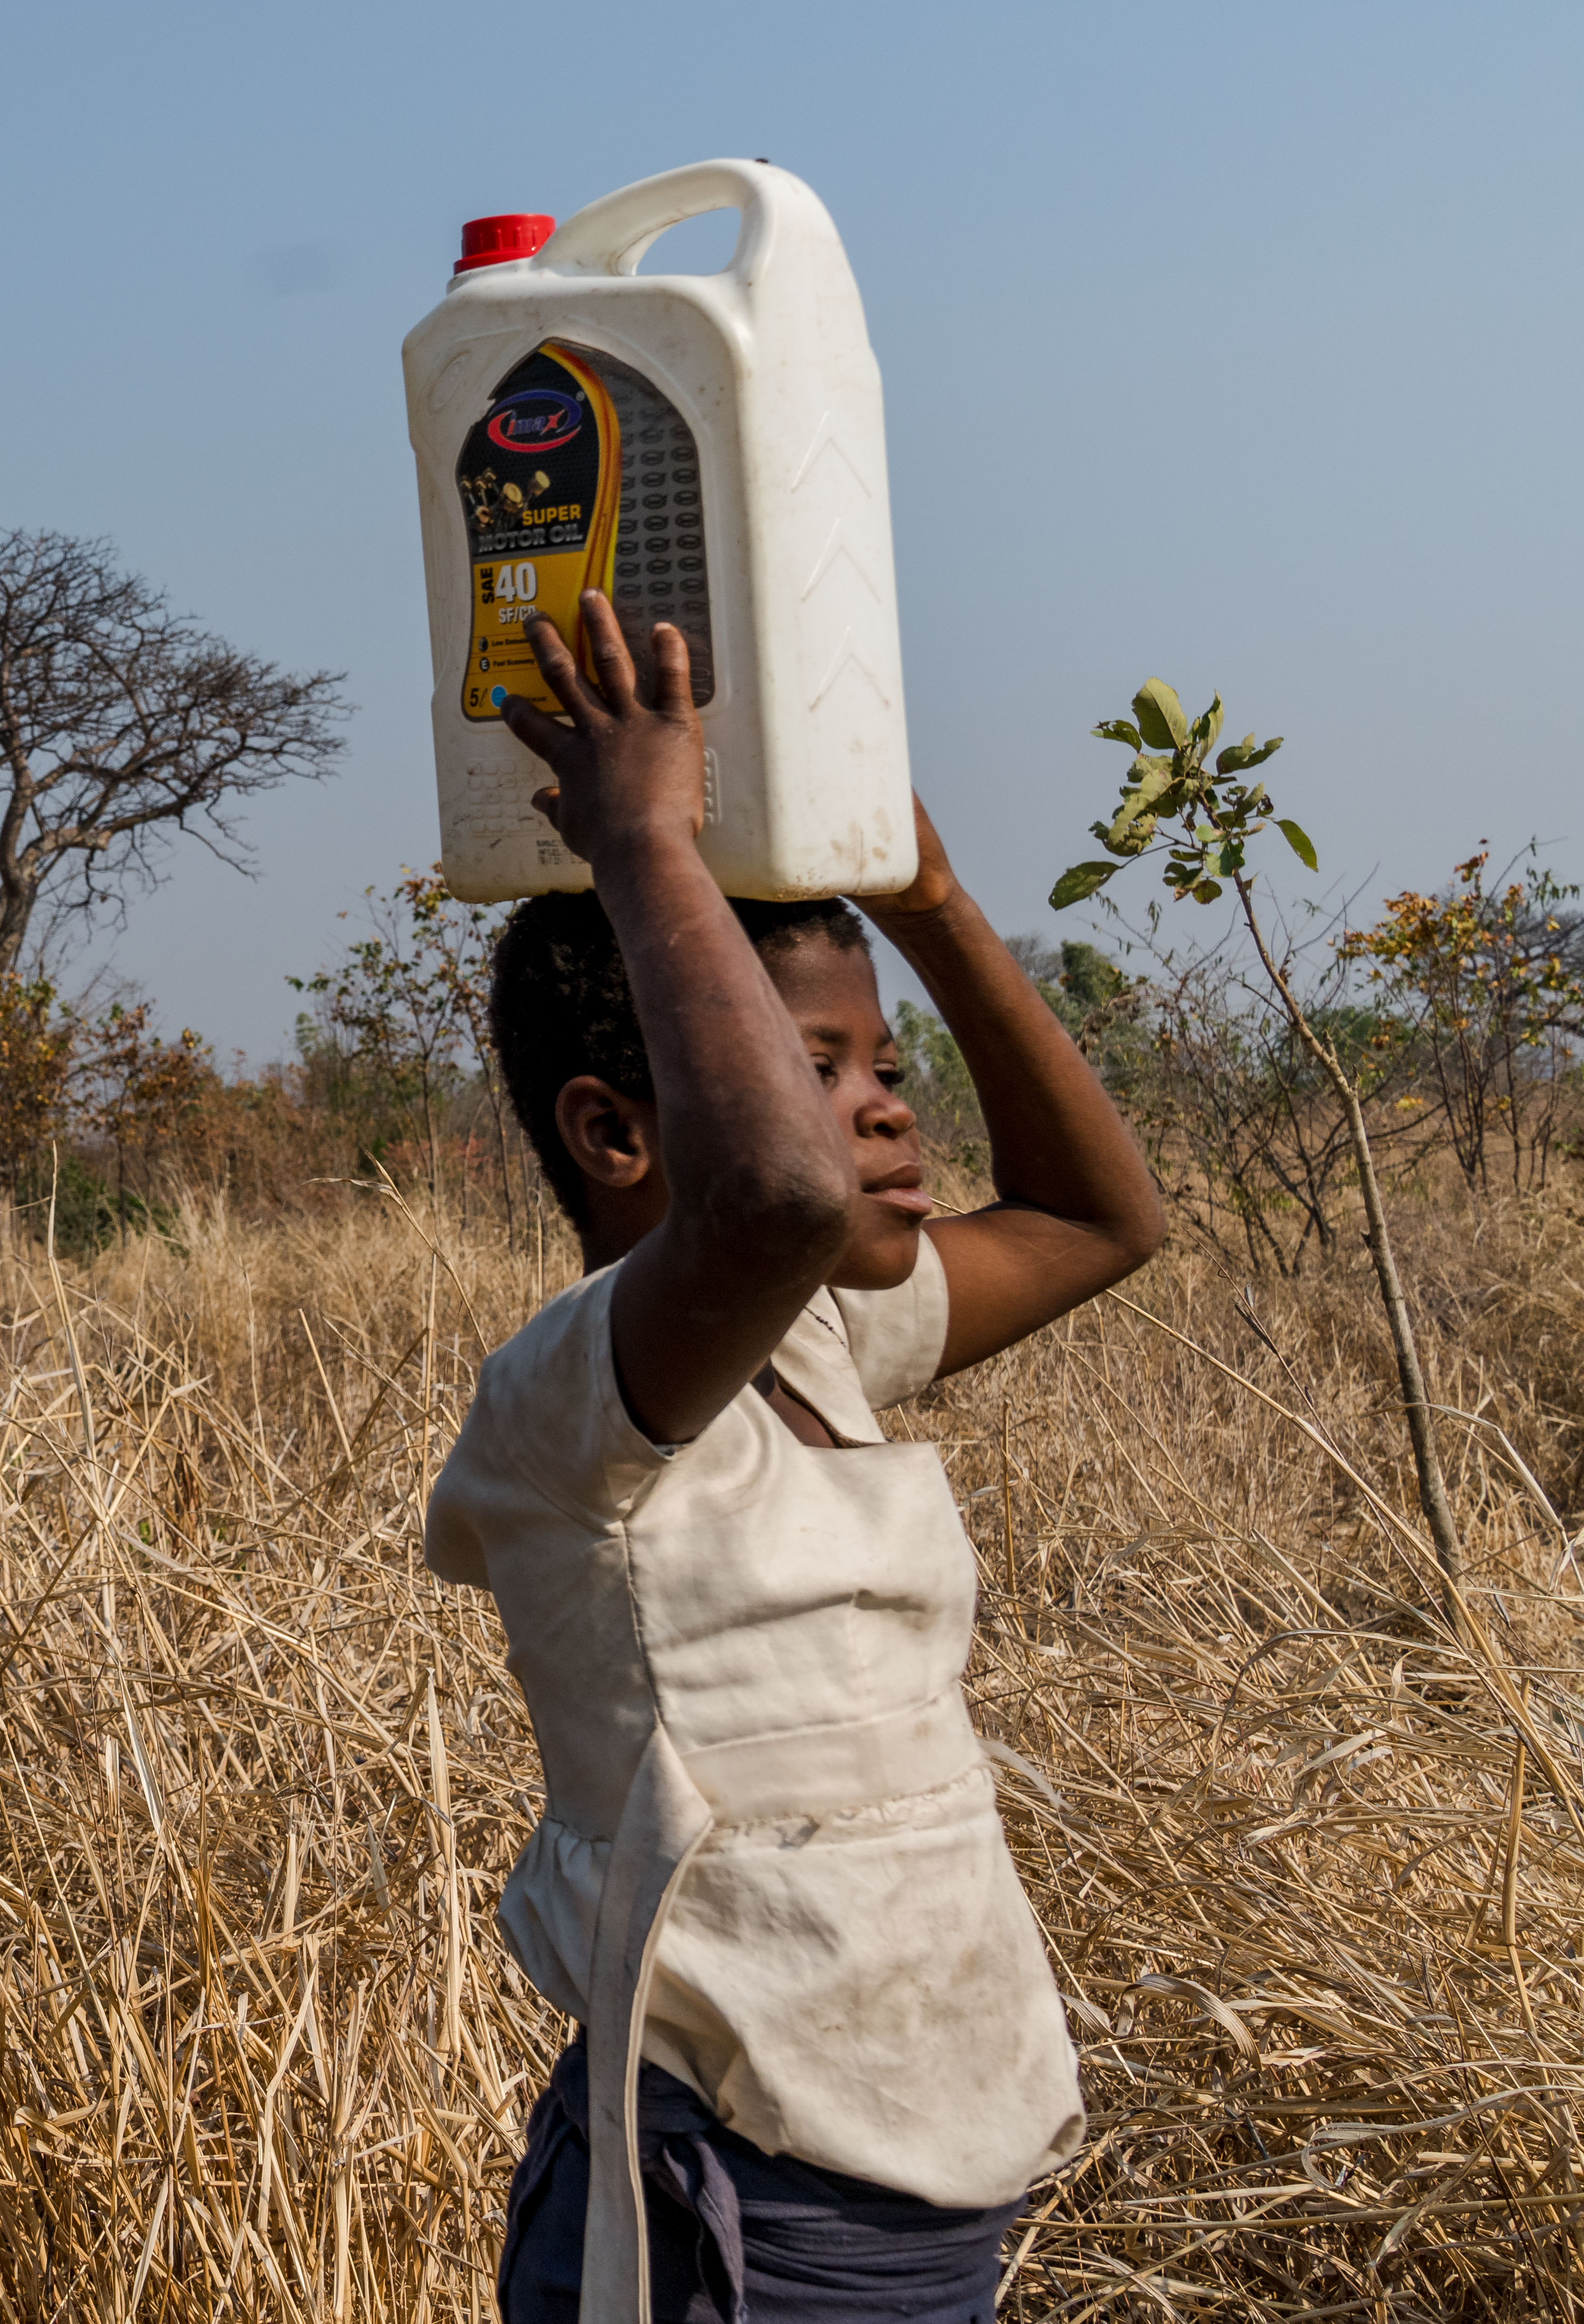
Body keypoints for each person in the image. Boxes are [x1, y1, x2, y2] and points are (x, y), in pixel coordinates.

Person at [423, 593, 1164, 2324]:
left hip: (921, 2175)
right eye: (817, 1065)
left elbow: (1092, 1216)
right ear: (618, 1130)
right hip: (740, 2201)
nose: (891, 1108)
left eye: (884, 1062)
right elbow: (769, 1197)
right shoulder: (581, 1397)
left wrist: (940, 908)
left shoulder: (817, 1342)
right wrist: (637, 840)